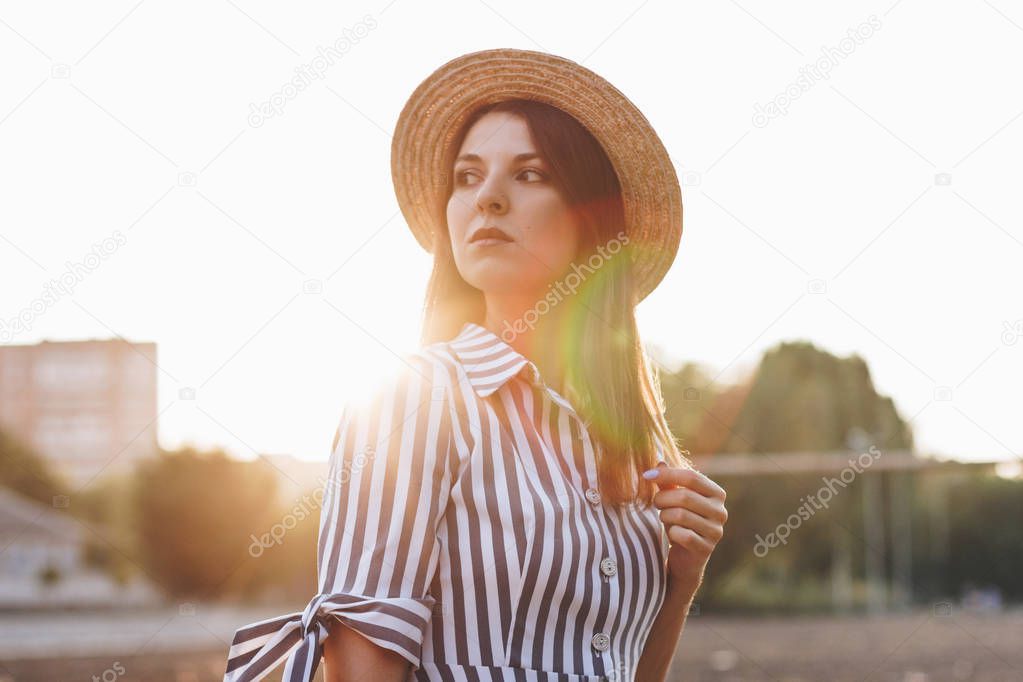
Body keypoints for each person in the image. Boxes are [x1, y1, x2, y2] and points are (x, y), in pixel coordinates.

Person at [223, 47, 728, 682]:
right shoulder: (412, 399)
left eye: (531, 174)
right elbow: (359, 666)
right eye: (466, 176)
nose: (486, 197)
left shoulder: (632, 445)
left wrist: (681, 580)